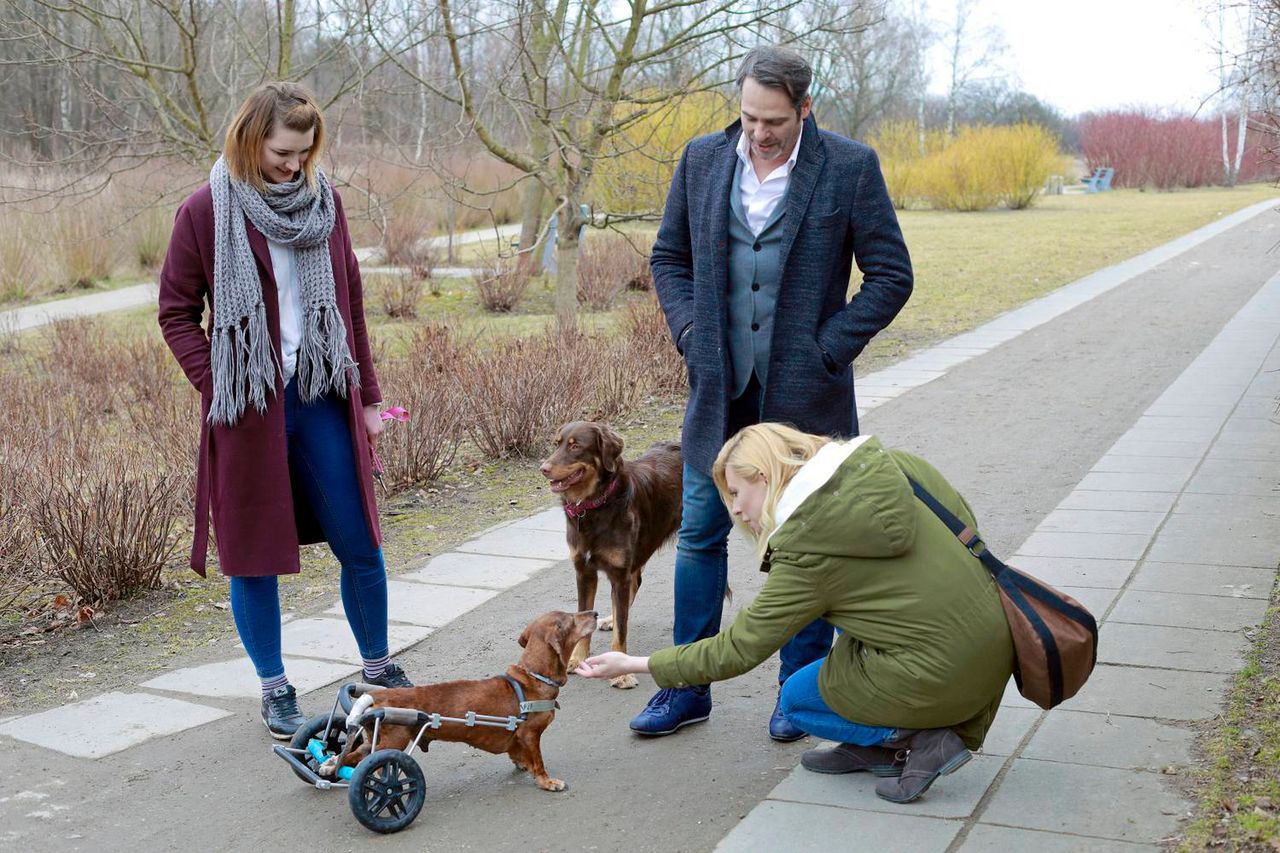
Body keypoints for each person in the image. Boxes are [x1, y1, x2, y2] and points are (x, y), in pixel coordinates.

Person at [645, 45, 913, 740]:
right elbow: (668, 257)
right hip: (720, 395)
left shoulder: (850, 168)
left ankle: (797, 695)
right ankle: (685, 689)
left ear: (805, 109)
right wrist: (692, 330)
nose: (757, 134)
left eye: (772, 122)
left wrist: (828, 347)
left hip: (806, 408)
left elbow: (891, 275)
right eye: (747, 117)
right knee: (701, 535)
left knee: (805, 546)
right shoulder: (703, 159)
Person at [158, 82, 413, 740]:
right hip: (248, 409)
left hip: (323, 393)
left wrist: (371, 400)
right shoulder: (204, 212)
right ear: (249, 139)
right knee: (254, 555)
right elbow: (176, 313)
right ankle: (275, 688)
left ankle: (379, 670)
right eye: (282, 151)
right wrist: (218, 385)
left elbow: (350, 299)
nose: (295, 165)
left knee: (361, 541)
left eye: (305, 152)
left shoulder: (324, 203)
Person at [576, 424, 1014, 804]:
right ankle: (900, 734)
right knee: (861, 636)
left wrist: (637, 662)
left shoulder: (809, 546)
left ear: (764, 477)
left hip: (938, 672)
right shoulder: (897, 465)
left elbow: (739, 648)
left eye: (735, 493)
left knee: (798, 699)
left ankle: (917, 738)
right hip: (998, 649)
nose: (734, 510)